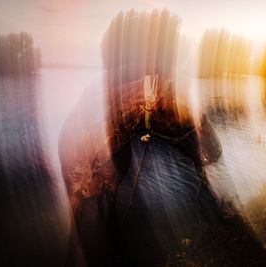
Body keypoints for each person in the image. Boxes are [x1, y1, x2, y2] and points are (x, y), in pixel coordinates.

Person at [59, 9, 222, 267]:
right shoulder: (151, 85)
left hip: (97, 162)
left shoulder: (128, 84)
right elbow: (205, 145)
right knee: (95, 234)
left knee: (96, 231)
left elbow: (194, 134)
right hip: (88, 171)